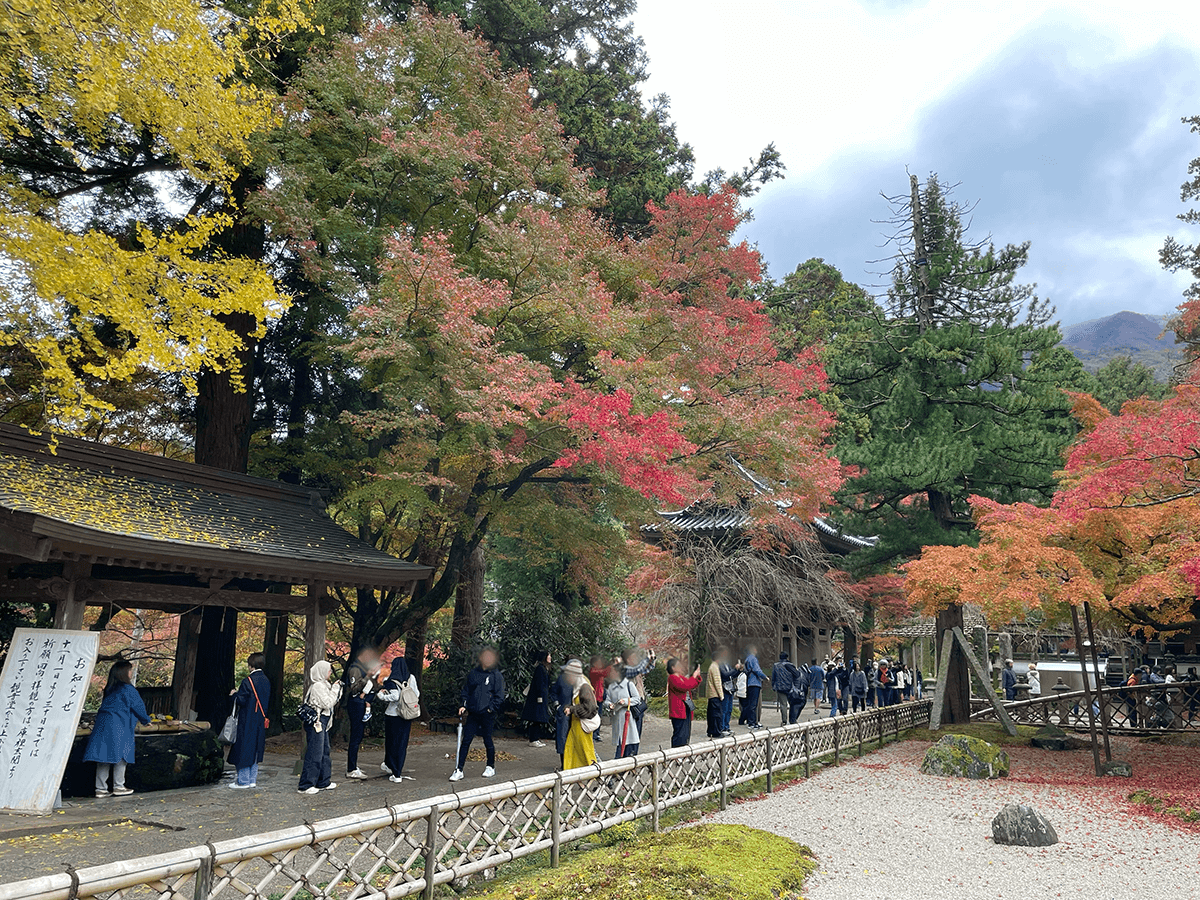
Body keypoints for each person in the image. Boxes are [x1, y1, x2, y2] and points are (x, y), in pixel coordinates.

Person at [84, 659, 151, 798]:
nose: (131, 673)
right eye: (130, 670)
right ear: (124, 673)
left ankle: (100, 789)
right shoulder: (128, 689)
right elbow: (138, 706)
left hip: (103, 724)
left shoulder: (109, 689)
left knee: (104, 756)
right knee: (121, 755)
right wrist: (146, 720)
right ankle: (119, 786)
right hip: (119, 725)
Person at [450, 647, 506, 782]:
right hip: (473, 713)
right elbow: (466, 691)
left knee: (487, 740)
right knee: (466, 741)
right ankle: (459, 769)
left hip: (487, 714)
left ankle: (490, 766)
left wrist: (490, 709)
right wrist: (463, 704)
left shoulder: (496, 675)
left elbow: (500, 696)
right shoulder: (474, 674)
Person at [299, 660, 342, 794]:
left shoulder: (324, 685)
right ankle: (306, 785)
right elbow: (328, 703)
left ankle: (323, 781)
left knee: (324, 751)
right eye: (328, 670)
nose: (330, 673)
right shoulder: (318, 686)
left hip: (322, 720)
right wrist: (335, 689)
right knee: (315, 752)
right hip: (317, 721)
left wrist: (335, 689)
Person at [227, 652, 270, 789]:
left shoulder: (248, 681)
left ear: (251, 665)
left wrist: (234, 695)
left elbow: (242, 700)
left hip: (248, 719)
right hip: (260, 719)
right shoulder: (266, 680)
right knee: (256, 749)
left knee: (244, 747)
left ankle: (243, 780)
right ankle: (252, 779)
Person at [376, 656, 416, 782]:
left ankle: (394, 770)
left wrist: (381, 696)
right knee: (402, 744)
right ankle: (397, 770)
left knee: (391, 743)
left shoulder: (391, 680)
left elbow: (395, 696)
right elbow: (417, 694)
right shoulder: (411, 678)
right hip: (407, 715)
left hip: (393, 715)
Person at [344, 647, 381, 780]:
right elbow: (355, 689)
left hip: (362, 704)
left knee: (358, 736)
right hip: (355, 705)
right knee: (355, 736)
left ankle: (353, 766)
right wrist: (369, 676)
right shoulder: (355, 669)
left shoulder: (363, 669)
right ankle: (351, 768)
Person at [561, 659, 599, 769]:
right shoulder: (578, 685)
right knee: (571, 752)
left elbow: (591, 708)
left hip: (582, 727)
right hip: (576, 726)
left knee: (586, 754)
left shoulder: (584, 686)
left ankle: (597, 778)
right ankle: (574, 781)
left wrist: (572, 709)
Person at [604, 666, 643, 757]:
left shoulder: (629, 684)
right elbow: (606, 700)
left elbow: (637, 699)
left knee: (628, 740)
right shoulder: (610, 686)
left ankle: (623, 760)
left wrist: (625, 701)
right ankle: (622, 760)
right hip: (616, 717)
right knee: (620, 740)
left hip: (627, 717)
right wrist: (609, 705)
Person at [666, 657, 702, 747]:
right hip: (678, 710)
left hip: (686, 708)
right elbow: (684, 686)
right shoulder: (672, 678)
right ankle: (677, 753)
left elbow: (691, 684)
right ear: (673, 667)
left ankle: (684, 751)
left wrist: (696, 677)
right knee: (679, 733)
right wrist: (693, 676)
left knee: (686, 732)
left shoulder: (681, 677)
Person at [521, 649, 552, 748]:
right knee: (536, 719)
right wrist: (540, 697)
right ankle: (533, 739)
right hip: (538, 698)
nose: (550, 657)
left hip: (541, 697)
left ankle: (535, 738)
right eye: (548, 655)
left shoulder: (543, 668)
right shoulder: (540, 668)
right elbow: (539, 684)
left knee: (538, 719)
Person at [771, 652, 805, 724]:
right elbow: (797, 675)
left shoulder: (776, 666)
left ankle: (784, 720)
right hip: (790, 687)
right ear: (787, 658)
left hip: (779, 687)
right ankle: (792, 719)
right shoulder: (790, 665)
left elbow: (773, 677)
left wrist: (773, 686)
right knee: (792, 704)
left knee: (783, 704)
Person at [743, 645, 766, 728]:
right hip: (755, 683)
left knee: (751, 703)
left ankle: (752, 721)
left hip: (750, 682)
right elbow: (757, 670)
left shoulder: (747, 659)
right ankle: (752, 722)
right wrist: (764, 676)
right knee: (754, 704)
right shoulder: (753, 659)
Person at [705, 651, 725, 738]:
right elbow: (717, 682)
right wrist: (721, 695)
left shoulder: (712, 666)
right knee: (717, 715)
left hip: (711, 694)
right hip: (715, 694)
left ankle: (710, 731)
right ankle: (716, 732)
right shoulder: (715, 667)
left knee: (711, 714)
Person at [718, 650, 737, 735]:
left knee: (729, 709)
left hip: (730, 689)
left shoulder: (727, 664)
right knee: (724, 709)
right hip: (725, 689)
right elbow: (725, 675)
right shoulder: (720, 665)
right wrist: (735, 669)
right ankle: (722, 727)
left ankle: (727, 726)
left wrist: (738, 671)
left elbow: (731, 675)